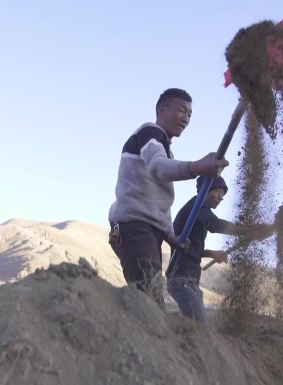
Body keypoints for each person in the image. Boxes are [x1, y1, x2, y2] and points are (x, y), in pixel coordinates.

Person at [108, 88, 229, 308]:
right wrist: (197, 167)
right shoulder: (150, 133)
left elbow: (159, 201)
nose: (186, 118)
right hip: (134, 227)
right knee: (149, 303)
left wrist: (170, 235)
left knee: (150, 301)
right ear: (161, 110)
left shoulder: (165, 149)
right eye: (182, 110)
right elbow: (157, 168)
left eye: (190, 114)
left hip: (148, 231)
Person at [165, 175, 274, 323]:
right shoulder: (196, 205)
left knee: (199, 330)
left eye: (223, 193)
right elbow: (214, 225)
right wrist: (248, 230)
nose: (220, 197)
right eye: (217, 190)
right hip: (182, 279)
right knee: (199, 330)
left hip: (191, 281)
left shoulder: (198, 214)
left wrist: (211, 253)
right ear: (205, 189)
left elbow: (188, 247)